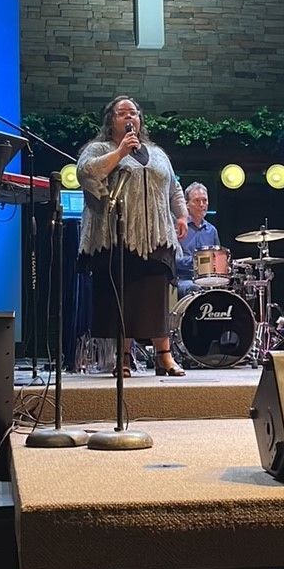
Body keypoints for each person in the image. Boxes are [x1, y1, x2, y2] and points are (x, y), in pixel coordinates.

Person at [77, 95, 188, 376]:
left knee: (156, 297)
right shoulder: (99, 148)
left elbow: (174, 187)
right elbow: (86, 173)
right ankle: (123, 358)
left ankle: (164, 357)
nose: (129, 117)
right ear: (110, 121)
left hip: (157, 237)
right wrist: (120, 153)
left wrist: (182, 214)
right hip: (118, 236)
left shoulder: (158, 153)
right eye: (122, 113)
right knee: (123, 297)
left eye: (134, 113)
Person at [176, 182, 220, 298]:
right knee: (195, 288)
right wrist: (198, 261)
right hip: (183, 279)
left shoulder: (212, 230)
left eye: (204, 200)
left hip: (207, 280)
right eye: (196, 201)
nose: (202, 205)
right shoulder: (178, 228)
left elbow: (217, 260)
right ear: (187, 204)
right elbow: (173, 261)